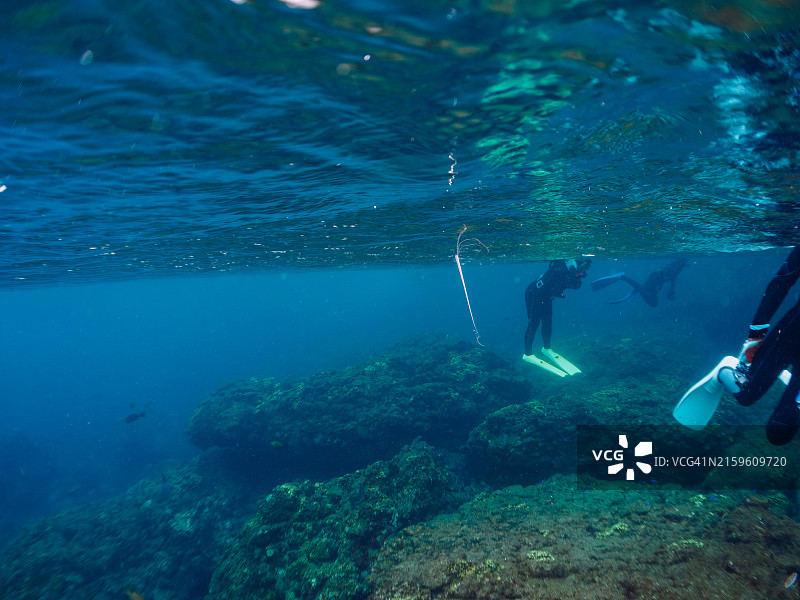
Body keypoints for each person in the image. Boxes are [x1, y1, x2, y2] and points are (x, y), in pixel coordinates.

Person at [718, 247, 800, 445]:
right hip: (791, 337)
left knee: (780, 433)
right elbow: (780, 283)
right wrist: (754, 342)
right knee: (747, 396)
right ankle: (726, 371)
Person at [523, 258, 591, 377]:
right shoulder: (559, 267)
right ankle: (528, 354)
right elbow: (559, 286)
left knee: (547, 323)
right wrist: (572, 274)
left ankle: (546, 348)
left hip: (547, 297)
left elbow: (576, 286)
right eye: (584, 266)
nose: (583, 270)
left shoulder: (570, 272)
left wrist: (575, 275)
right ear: (578, 263)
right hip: (534, 294)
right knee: (534, 324)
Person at [591, 257, 689, 306]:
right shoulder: (674, 268)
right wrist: (664, 283)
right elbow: (666, 274)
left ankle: (636, 286)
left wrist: (671, 290)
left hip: (656, 280)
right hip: (655, 277)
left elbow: (672, 279)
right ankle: (624, 278)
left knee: (653, 303)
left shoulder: (677, 269)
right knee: (649, 297)